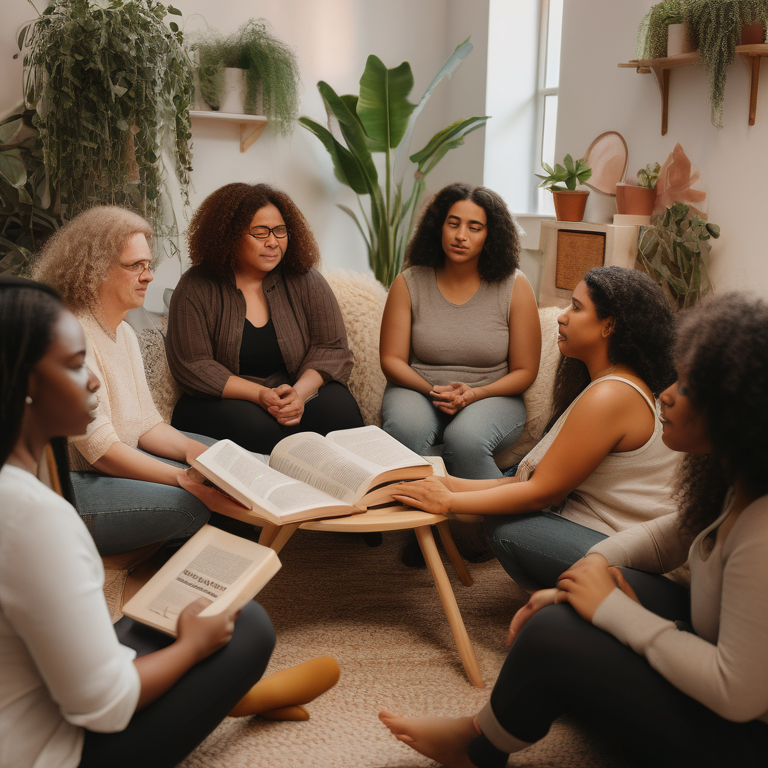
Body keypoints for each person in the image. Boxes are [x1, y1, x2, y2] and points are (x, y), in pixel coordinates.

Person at [379, 292, 768, 768]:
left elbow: (735, 694)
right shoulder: (734, 481)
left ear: (736, 412)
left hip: (746, 739)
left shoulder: (762, 532)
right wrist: (588, 573)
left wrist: (611, 610)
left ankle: (477, 747)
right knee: (559, 617)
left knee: (554, 632)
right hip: (710, 641)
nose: (667, 392)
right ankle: (482, 738)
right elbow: (666, 536)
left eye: (687, 388)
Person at [0, 276, 318, 768]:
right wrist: (192, 648)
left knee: (163, 614)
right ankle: (228, 697)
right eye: (72, 364)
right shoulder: (35, 518)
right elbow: (101, 706)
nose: (92, 381)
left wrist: (193, 452)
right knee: (246, 624)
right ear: (22, 386)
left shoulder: (24, 486)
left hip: (38, 698)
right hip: (53, 751)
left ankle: (226, 696)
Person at [391, 266, 679, 589]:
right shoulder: (609, 384)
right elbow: (521, 481)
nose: (562, 316)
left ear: (608, 326)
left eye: (577, 307)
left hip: (638, 559)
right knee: (504, 502)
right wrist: (445, 483)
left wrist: (447, 502)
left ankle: (600, 596)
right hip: (611, 538)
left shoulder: (612, 395)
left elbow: (540, 493)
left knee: (509, 526)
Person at [32, 207, 217, 556]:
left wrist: (199, 454)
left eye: (147, 265)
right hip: (72, 484)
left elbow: (147, 423)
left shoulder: (125, 333)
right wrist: (181, 477)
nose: (147, 276)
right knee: (190, 502)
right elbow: (100, 451)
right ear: (94, 270)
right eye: (135, 266)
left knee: (219, 454)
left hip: (116, 459)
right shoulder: (70, 334)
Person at [165, 182, 364, 454]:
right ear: (229, 235)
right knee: (259, 429)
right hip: (226, 399)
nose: (273, 241)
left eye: (280, 231)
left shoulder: (305, 279)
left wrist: (299, 394)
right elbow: (194, 365)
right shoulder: (195, 287)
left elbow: (332, 348)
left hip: (292, 388)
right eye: (260, 232)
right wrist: (260, 396)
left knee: (340, 410)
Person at [380, 182, 541, 481]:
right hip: (419, 390)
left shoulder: (515, 286)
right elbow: (391, 359)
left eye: (474, 227)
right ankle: (410, 522)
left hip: (491, 396)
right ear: (438, 227)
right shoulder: (409, 282)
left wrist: (475, 394)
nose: (461, 235)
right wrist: (431, 390)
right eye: (453, 224)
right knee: (405, 431)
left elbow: (525, 370)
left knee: (465, 439)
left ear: (490, 235)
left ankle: (497, 517)